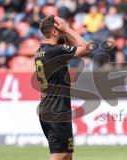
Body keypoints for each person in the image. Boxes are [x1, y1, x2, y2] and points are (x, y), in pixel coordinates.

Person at [35, 15, 89, 160]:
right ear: (54, 31)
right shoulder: (55, 50)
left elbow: (71, 46)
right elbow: (86, 48)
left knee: (66, 156)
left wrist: (63, 32)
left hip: (49, 108)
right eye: (60, 27)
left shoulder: (42, 50)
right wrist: (68, 29)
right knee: (61, 156)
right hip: (56, 110)